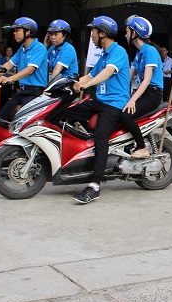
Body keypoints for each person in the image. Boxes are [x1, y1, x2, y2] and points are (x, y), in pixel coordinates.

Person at [64, 16, 129, 204]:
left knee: (101, 139)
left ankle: (95, 185)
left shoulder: (118, 52)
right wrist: (72, 83)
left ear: (102, 33)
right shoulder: (104, 55)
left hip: (114, 103)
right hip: (100, 101)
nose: (91, 36)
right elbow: (89, 76)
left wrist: (87, 84)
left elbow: (107, 73)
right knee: (67, 112)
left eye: (93, 32)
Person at [124, 15, 164, 159]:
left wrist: (132, 99)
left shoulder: (150, 51)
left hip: (153, 94)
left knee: (126, 114)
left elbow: (147, 80)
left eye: (127, 31)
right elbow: (127, 77)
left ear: (135, 33)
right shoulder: (138, 53)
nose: (125, 34)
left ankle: (142, 147)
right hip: (143, 93)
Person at [0, 17, 48, 120]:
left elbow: (30, 69)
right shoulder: (22, 49)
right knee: (1, 118)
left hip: (34, 93)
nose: (14, 33)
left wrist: (9, 79)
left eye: (17, 30)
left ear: (28, 32)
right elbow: (8, 65)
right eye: (14, 31)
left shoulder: (39, 48)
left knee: (20, 121)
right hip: (22, 92)